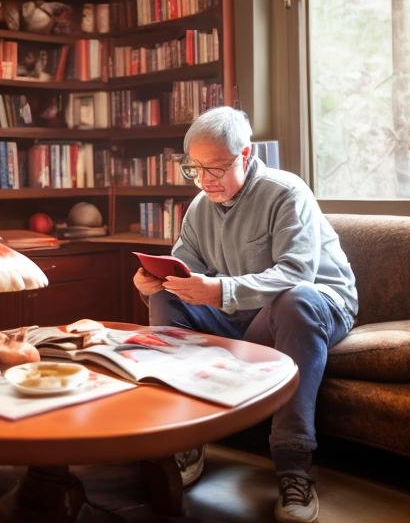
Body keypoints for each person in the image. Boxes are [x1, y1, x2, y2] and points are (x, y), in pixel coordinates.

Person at [133, 106, 358, 523]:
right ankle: (187, 435)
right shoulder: (200, 205)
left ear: (246, 154)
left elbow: (296, 273)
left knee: (296, 300)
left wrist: (220, 289)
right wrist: (156, 281)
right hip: (245, 313)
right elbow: (184, 268)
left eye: (216, 168)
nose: (204, 180)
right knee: (166, 301)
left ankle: (294, 469)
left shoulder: (286, 192)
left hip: (317, 304)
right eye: (194, 168)